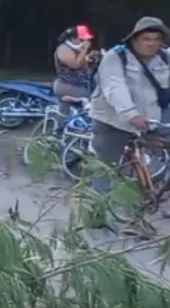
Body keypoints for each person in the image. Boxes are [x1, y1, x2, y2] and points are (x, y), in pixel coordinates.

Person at [89, 16, 170, 194]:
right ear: (134, 39)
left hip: (151, 118)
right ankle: (98, 216)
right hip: (113, 120)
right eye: (146, 39)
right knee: (105, 169)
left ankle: (156, 191)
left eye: (157, 39)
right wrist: (131, 114)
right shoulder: (116, 57)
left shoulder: (164, 58)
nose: (152, 44)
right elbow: (114, 88)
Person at [54, 24, 97, 109]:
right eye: (81, 39)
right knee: (94, 101)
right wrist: (84, 49)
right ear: (72, 38)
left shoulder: (78, 50)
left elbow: (86, 69)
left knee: (64, 113)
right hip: (67, 85)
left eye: (86, 39)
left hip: (79, 85)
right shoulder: (63, 49)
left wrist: (89, 58)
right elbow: (75, 65)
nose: (84, 41)